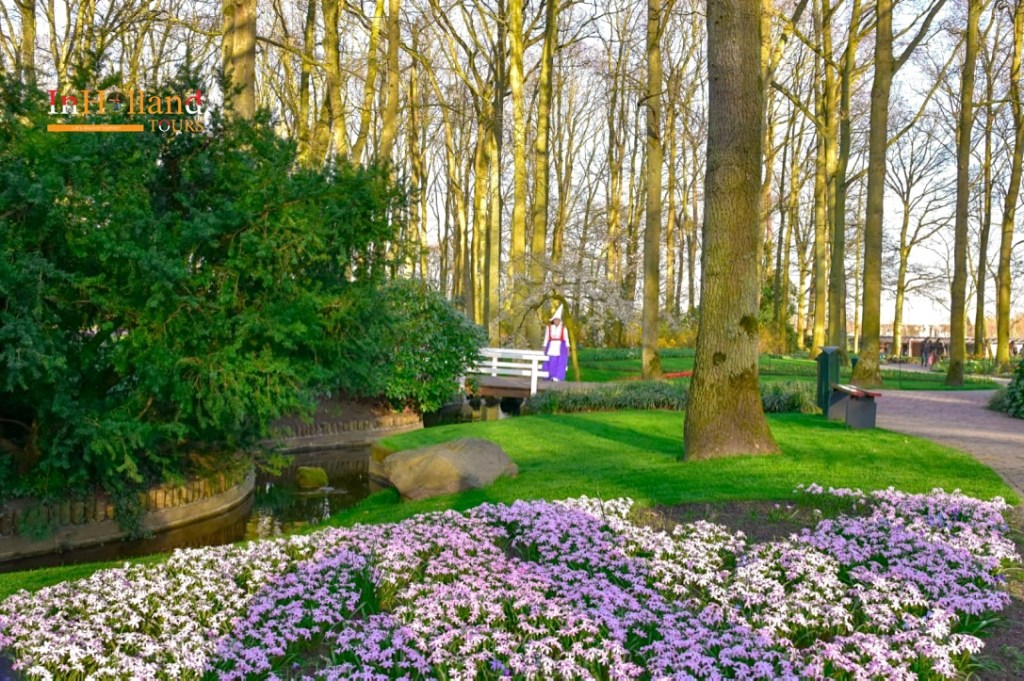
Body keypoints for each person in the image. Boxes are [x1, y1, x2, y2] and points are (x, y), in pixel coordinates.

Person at [542, 305, 570, 381]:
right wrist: (544, 347)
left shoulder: (564, 328)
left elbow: (566, 339)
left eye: (558, 320)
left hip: (560, 347)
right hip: (551, 346)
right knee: (551, 361)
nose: (556, 321)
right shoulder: (549, 327)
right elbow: (546, 338)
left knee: (560, 362)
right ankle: (549, 376)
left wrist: (568, 350)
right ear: (553, 320)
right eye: (555, 320)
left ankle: (557, 377)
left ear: (560, 320)